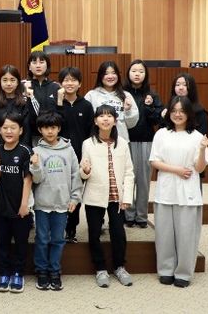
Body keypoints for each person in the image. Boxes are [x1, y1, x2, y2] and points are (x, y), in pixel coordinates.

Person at [150, 95, 208, 288]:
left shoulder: (197, 137)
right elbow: (154, 161)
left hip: (188, 191)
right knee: (164, 234)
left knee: (187, 235)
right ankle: (165, 270)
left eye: (182, 111)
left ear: (189, 114)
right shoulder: (161, 134)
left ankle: (184, 273)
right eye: (174, 111)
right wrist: (176, 170)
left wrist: (202, 150)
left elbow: (199, 168)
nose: (177, 115)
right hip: (166, 189)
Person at [80, 104, 135, 288]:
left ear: (115, 121)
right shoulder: (88, 143)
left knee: (118, 233)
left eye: (109, 116)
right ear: (95, 121)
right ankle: (100, 269)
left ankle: (120, 267)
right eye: (101, 116)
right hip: (95, 195)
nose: (105, 119)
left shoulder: (123, 144)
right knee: (95, 233)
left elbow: (129, 172)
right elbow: (83, 174)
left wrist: (127, 197)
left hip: (117, 197)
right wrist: (85, 170)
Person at [30, 111, 81, 292]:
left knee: (58, 239)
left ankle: (55, 271)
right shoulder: (36, 151)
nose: (50, 131)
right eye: (45, 128)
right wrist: (36, 166)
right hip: (42, 204)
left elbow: (75, 175)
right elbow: (36, 180)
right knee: (42, 239)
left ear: (59, 128)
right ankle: (41, 271)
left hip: (62, 203)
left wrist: (75, 197)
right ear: (40, 130)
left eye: (53, 127)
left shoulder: (69, 149)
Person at [0, 112, 32, 294]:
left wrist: (24, 204)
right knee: (2, 242)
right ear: (0, 130)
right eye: (5, 127)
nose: (9, 131)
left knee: (21, 242)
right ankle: (4, 273)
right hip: (1, 205)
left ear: (20, 130)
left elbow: (28, 179)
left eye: (13, 128)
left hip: (20, 206)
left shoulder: (25, 151)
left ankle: (17, 273)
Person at [123, 59, 164, 228]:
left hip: (146, 141)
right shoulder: (122, 93)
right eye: (134, 71)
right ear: (128, 73)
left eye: (141, 71)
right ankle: (128, 215)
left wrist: (149, 106)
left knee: (143, 181)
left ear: (145, 74)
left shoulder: (152, 95)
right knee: (127, 179)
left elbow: (157, 120)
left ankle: (141, 216)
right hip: (125, 141)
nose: (137, 74)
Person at [55, 66, 94, 243]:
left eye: (73, 80)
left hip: (79, 155)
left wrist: (87, 155)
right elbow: (55, 124)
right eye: (66, 80)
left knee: (75, 193)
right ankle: (58, 227)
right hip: (58, 155)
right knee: (59, 191)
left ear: (80, 84)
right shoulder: (57, 104)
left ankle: (71, 229)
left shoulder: (86, 105)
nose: (69, 83)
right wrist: (59, 102)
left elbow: (91, 132)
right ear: (60, 83)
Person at [85, 61, 139, 141]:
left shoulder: (126, 96)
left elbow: (131, 124)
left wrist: (127, 110)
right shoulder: (91, 95)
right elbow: (86, 122)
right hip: (98, 141)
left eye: (113, 73)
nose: (110, 76)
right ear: (100, 76)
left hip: (121, 141)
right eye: (106, 73)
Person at [0, 65, 33, 148]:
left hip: (21, 151)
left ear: (18, 82)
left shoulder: (25, 103)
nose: (8, 84)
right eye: (5, 80)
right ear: (0, 82)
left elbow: (27, 132)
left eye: (12, 80)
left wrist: (25, 151)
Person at [25, 51, 61, 141]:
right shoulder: (23, 86)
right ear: (29, 66)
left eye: (41, 62)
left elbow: (60, 113)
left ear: (47, 65)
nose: (38, 66)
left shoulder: (56, 87)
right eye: (34, 62)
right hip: (28, 136)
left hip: (51, 135)